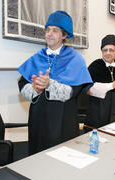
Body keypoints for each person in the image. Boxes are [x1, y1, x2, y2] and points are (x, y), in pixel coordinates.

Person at [17, 11, 93, 155]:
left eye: (55, 30)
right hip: (38, 118)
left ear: (64, 35)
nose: (49, 34)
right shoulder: (36, 57)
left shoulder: (75, 59)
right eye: (48, 29)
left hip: (63, 120)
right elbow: (22, 84)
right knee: (37, 158)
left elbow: (74, 91)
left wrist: (50, 84)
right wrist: (36, 89)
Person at [86, 35, 115, 128]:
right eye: (105, 50)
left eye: (111, 50)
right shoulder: (95, 66)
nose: (107, 53)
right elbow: (88, 88)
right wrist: (112, 85)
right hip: (98, 108)